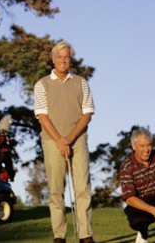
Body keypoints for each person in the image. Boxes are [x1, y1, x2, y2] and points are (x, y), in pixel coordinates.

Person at [34, 41, 96, 243]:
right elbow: (42, 116)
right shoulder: (42, 84)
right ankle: (59, 236)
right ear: (53, 59)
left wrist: (69, 139)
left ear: (71, 59)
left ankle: (85, 235)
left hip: (78, 140)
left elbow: (87, 114)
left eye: (66, 56)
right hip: (52, 142)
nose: (63, 60)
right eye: (59, 57)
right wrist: (60, 140)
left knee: (83, 189)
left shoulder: (81, 83)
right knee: (56, 190)